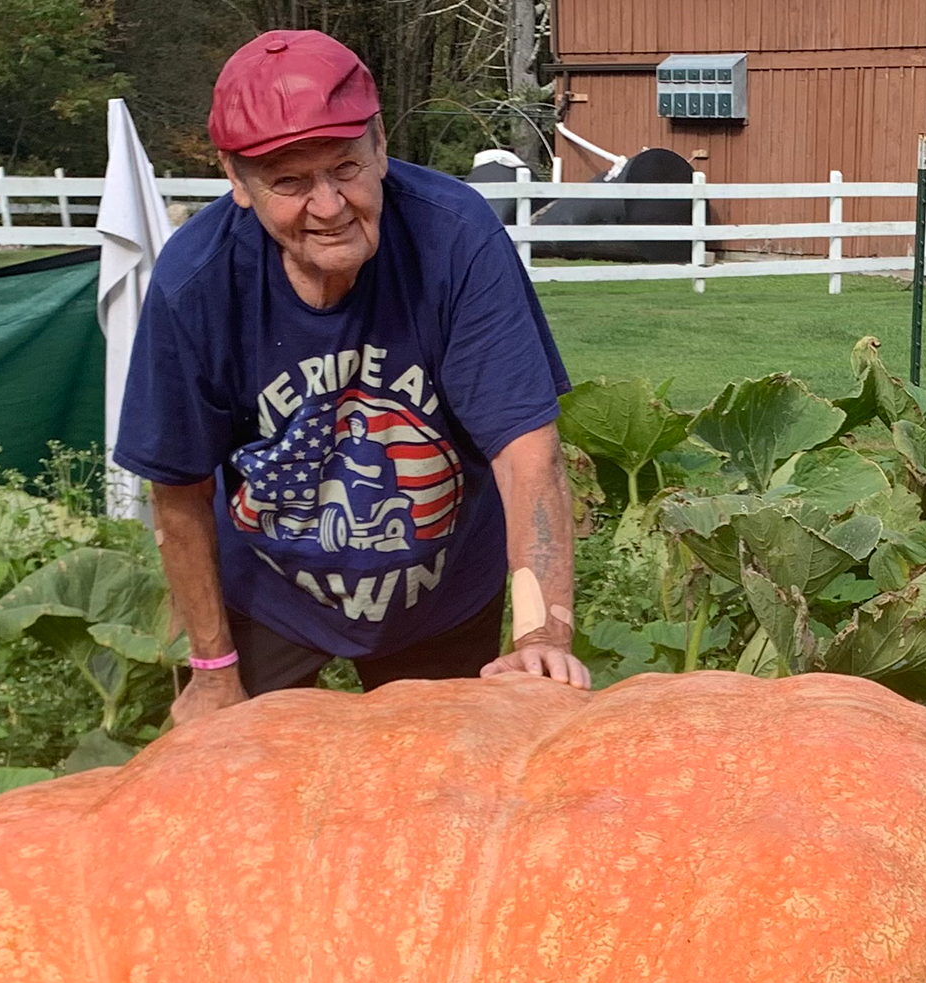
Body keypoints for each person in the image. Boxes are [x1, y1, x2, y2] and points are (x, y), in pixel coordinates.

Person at [113, 29, 590, 719]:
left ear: (380, 143)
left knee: (446, 795)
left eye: (345, 167)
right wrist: (213, 669)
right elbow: (177, 489)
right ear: (237, 181)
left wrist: (542, 634)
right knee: (242, 791)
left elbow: (526, 452)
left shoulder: (455, 239)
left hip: (443, 591)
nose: (330, 206)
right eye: (290, 182)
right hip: (267, 588)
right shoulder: (196, 283)